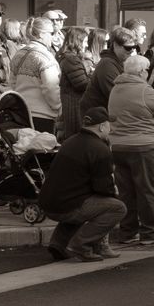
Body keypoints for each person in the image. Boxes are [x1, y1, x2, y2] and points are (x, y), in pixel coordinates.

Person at [38, 107, 126, 262]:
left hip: (48, 202)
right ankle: (81, 245)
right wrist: (114, 194)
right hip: (68, 205)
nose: (110, 128)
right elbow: (103, 188)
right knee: (117, 208)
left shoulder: (69, 142)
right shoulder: (100, 149)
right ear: (101, 126)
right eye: (108, 124)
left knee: (82, 203)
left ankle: (58, 244)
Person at [108, 54, 154, 245]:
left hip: (119, 146)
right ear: (141, 72)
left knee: (126, 191)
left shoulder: (116, 89)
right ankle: (149, 233)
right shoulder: (144, 90)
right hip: (147, 146)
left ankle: (128, 232)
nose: (147, 73)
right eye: (146, 70)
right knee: (149, 191)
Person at [9, 17, 61, 134]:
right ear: (41, 34)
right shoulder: (46, 57)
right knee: (42, 150)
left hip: (19, 113)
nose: (54, 37)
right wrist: (58, 107)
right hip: (42, 116)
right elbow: (51, 87)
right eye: (51, 33)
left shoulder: (18, 54)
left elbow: (11, 84)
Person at [80, 26, 139, 115]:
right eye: (128, 48)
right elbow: (117, 95)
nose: (132, 51)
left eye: (134, 47)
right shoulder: (107, 65)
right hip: (97, 119)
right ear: (115, 45)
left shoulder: (121, 62)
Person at [57, 27, 94, 141]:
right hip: (74, 106)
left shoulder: (68, 57)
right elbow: (81, 84)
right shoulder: (71, 59)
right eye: (85, 42)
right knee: (76, 140)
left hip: (72, 104)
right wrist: (94, 78)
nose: (87, 45)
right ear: (78, 41)